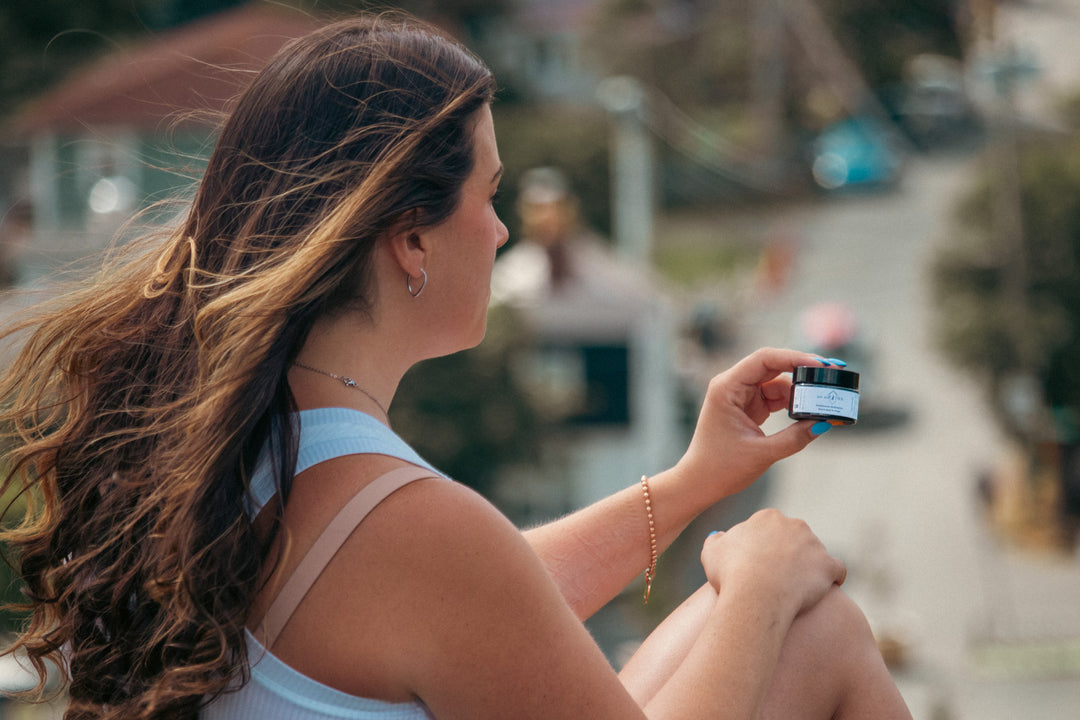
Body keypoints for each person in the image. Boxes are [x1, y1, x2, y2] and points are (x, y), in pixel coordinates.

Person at [0, 13, 912, 720]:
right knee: (818, 625)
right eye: (490, 194)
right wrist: (760, 580)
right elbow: (472, 583)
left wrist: (693, 482)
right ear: (409, 241)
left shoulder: (247, 452)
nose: (506, 228)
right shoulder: (399, 518)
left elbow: (495, 602)